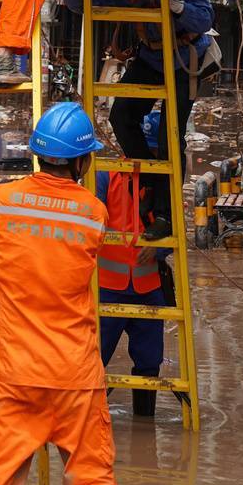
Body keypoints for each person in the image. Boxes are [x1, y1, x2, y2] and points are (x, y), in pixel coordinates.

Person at [0, 101, 118, 485]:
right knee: (94, 482)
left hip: (11, 372)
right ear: (81, 162)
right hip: (74, 375)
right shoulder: (94, 214)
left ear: (36, 154)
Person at [63, 0, 215, 238]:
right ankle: (150, 184)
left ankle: (165, 215)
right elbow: (79, 5)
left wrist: (180, 8)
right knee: (121, 115)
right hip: (150, 58)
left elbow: (205, 18)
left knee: (169, 136)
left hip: (183, 60)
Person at [95, 167, 164, 418]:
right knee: (95, 358)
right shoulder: (105, 176)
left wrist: (159, 250)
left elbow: (173, 224)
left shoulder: (162, 178)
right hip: (108, 287)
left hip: (148, 288)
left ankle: (145, 422)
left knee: (150, 361)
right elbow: (93, 220)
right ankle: (87, 416)